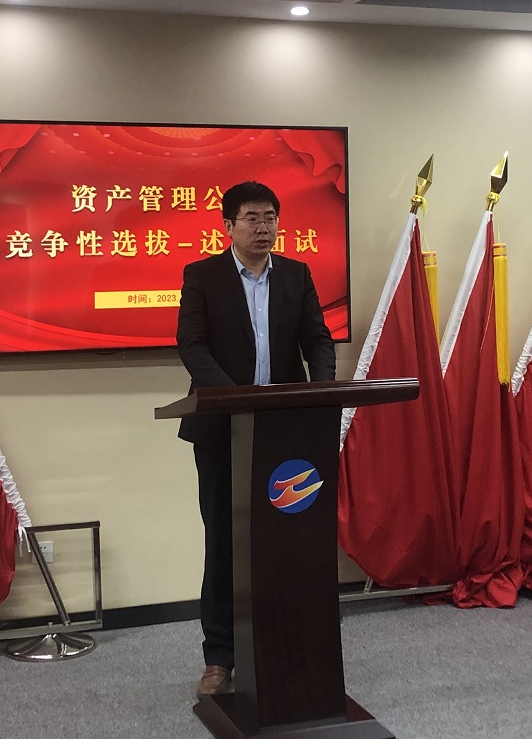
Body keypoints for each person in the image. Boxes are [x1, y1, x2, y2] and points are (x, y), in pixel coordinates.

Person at [175, 180, 336, 698]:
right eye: (251, 218)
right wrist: (236, 398)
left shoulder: (297, 274)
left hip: (286, 434)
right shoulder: (202, 276)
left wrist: (321, 390)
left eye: (270, 217)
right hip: (222, 430)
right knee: (225, 542)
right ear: (228, 225)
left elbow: (317, 339)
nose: (263, 227)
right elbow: (192, 346)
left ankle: (281, 647)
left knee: (287, 542)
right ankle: (219, 658)